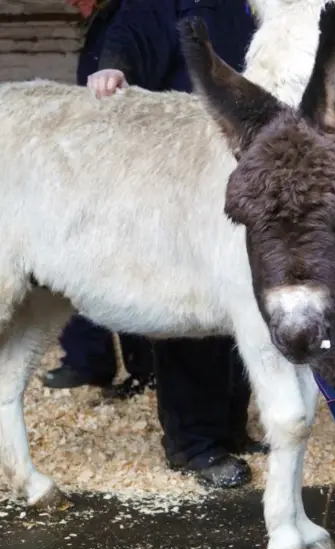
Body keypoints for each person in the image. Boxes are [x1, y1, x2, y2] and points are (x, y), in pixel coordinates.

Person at [62, 0, 266, 489]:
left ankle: (231, 427)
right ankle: (192, 445)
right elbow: (132, 33)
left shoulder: (252, 5)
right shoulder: (160, 2)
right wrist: (113, 66)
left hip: (244, 168)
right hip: (181, 174)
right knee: (191, 310)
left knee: (241, 304)